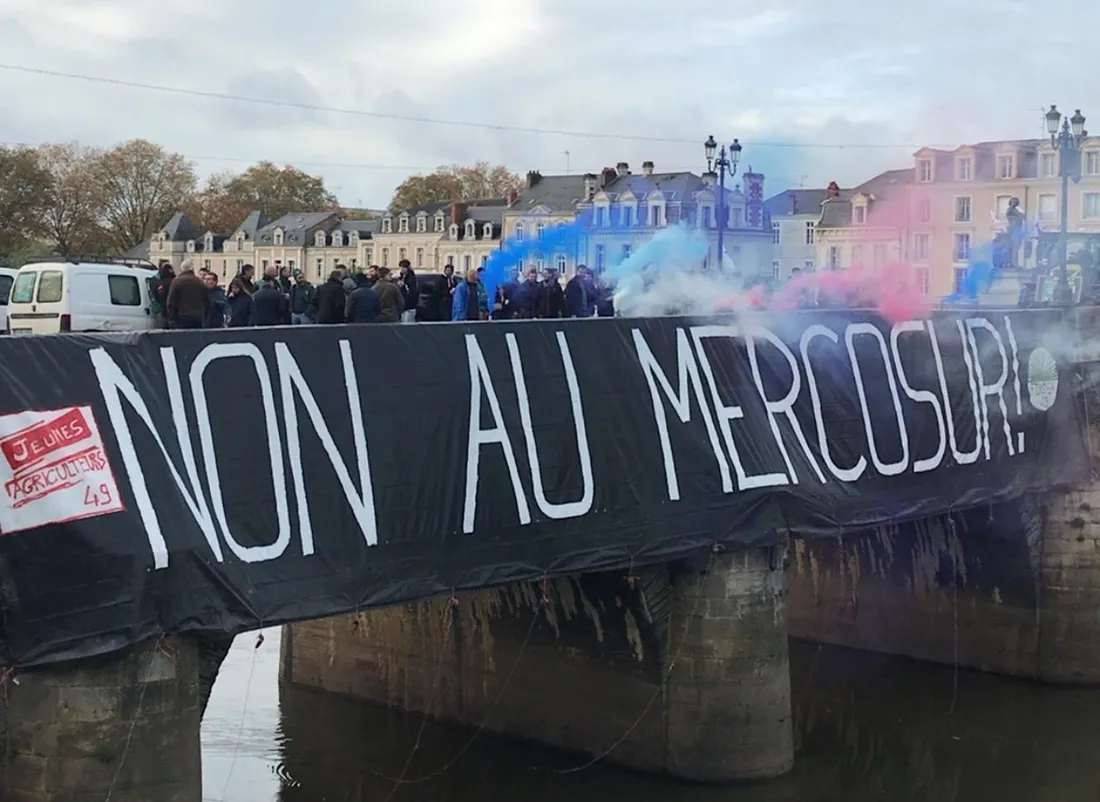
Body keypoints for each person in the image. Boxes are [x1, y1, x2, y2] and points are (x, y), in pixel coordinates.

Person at [165, 261, 209, 329]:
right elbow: (207, 301)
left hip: (181, 317)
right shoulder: (200, 282)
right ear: (192, 269)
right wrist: (205, 316)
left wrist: (172, 318)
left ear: (182, 269)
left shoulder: (177, 282)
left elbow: (171, 302)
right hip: (197, 317)